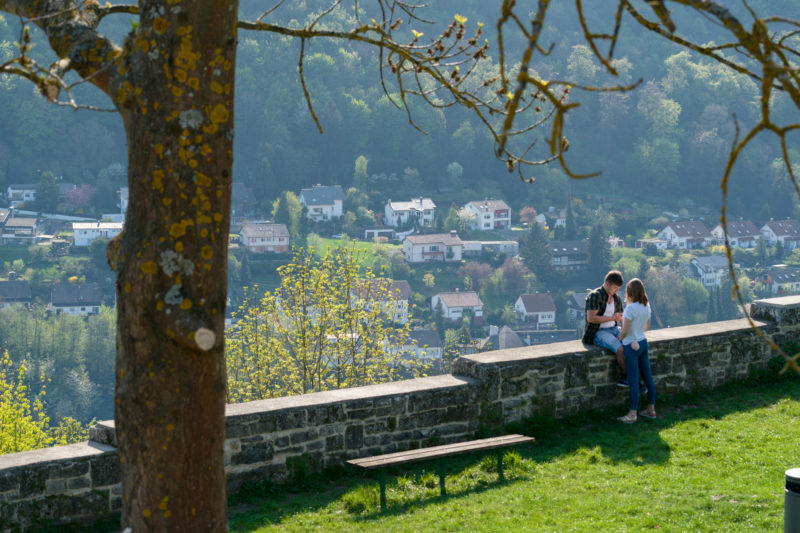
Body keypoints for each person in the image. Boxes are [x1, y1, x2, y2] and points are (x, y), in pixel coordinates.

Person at [616, 278, 656, 424]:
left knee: (633, 381)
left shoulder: (630, 308)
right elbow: (647, 327)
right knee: (648, 378)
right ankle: (651, 410)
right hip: (643, 342)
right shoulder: (646, 306)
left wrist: (620, 338)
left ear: (629, 292)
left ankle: (632, 414)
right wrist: (637, 332)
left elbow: (625, 330)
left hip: (631, 346)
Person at [582, 270, 628, 385]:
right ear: (607, 283)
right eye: (615, 287)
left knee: (632, 343)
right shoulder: (595, 296)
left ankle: (635, 374)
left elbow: (621, 317)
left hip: (614, 329)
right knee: (620, 349)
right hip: (598, 332)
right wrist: (612, 318)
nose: (617, 291)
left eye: (618, 288)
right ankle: (626, 376)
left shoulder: (616, 298)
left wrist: (624, 332)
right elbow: (591, 318)